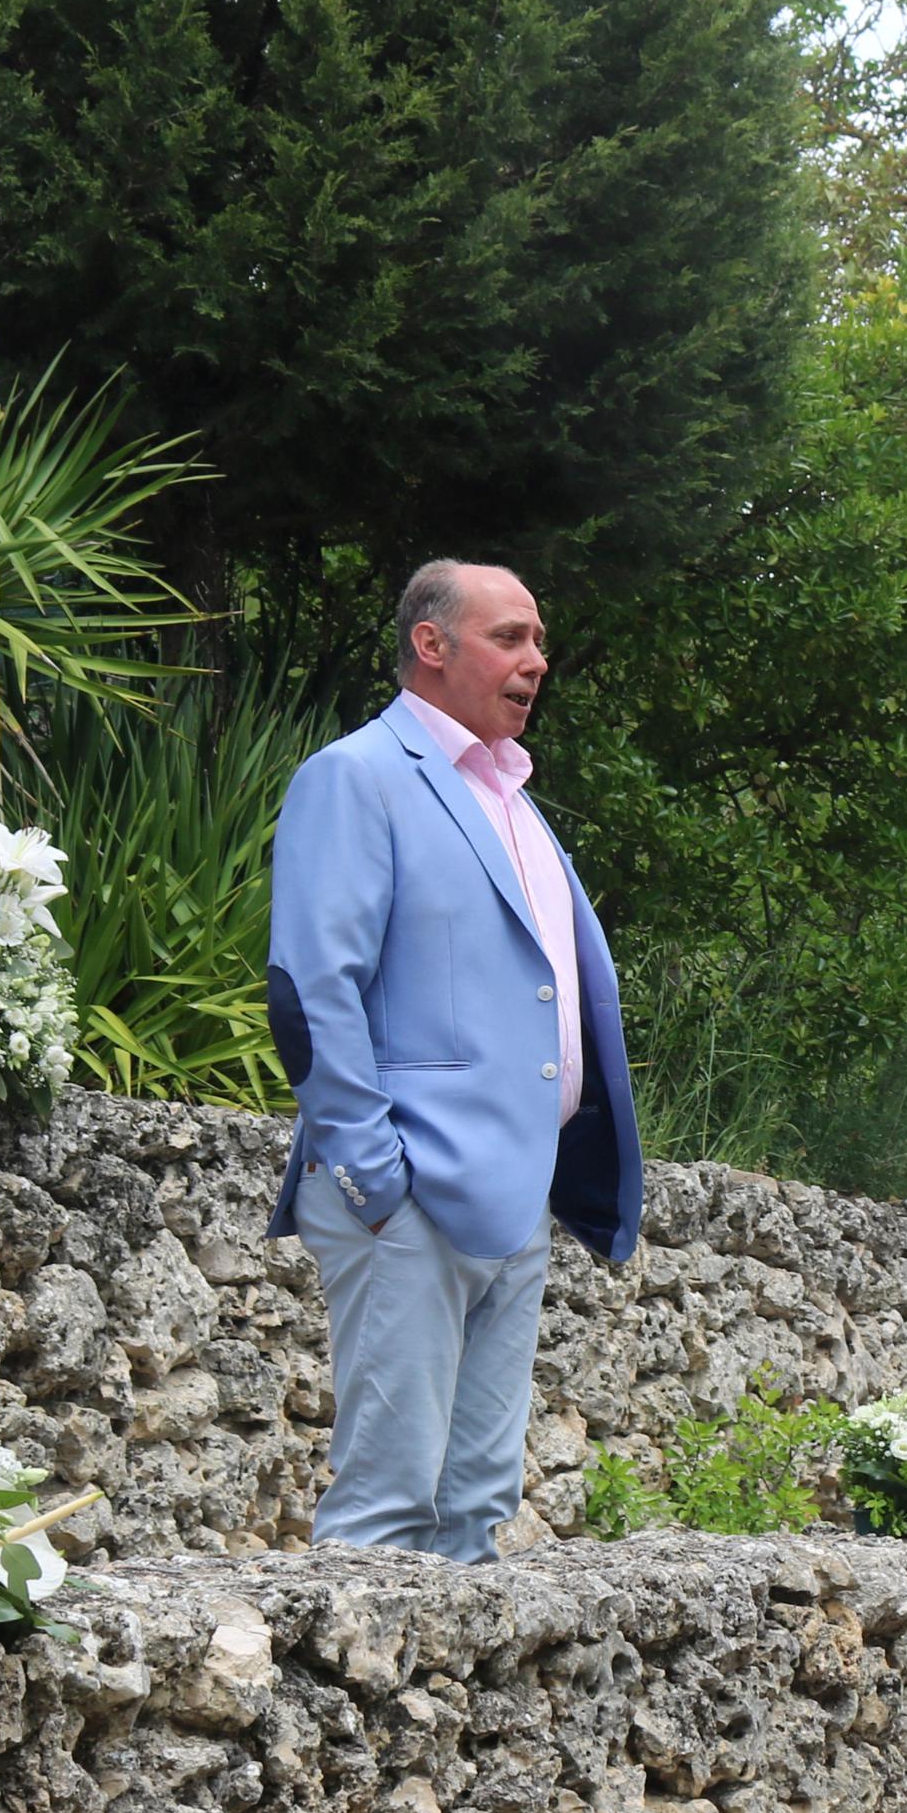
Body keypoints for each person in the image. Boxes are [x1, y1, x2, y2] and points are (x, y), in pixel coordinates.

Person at [267, 558, 641, 1557]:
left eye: (539, 642)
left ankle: (436, 1715)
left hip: (515, 1197)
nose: (536, 661)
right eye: (508, 638)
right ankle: (341, 1711)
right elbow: (310, 992)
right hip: (408, 1197)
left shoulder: (513, 802)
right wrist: (374, 1177)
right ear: (429, 645)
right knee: (387, 1510)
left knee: (473, 1512)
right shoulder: (355, 777)